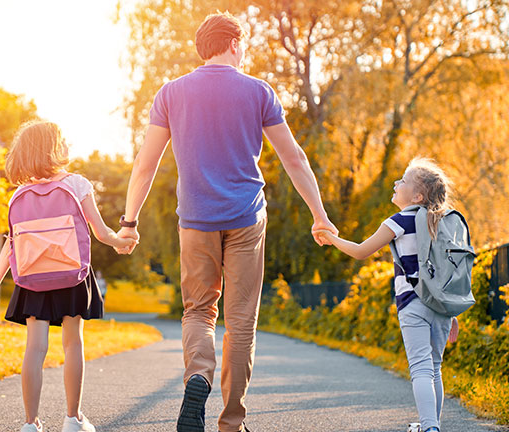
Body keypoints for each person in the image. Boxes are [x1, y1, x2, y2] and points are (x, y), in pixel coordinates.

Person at [115, 11, 337, 432]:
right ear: (234, 43)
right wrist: (320, 216)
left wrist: (129, 221)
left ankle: (197, 376)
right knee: (240, 322)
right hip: (246, 218)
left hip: (195, 219)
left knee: (199, 311)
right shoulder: (258, 91)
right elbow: (294, 158)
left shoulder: (171, 93)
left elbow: (145, 165)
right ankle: (232, 423)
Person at [0, 121, 136, 432]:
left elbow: (11, 245)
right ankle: (73, 419)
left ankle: (30, 423)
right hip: (71, 275)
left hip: (33, 280)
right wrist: (123, 243)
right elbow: (102, 232)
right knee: (72, 344)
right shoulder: (77, 184)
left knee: (34, 349)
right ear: (53, 148)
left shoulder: (18, 195)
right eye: (63, 140)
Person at [315, 157, 460, 432]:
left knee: (420, 367)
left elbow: (360, 251)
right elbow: (449, 268)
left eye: (403, 181)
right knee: (434, 366)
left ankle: (430, 428)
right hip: (441, 305)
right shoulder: (443, 222)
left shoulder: (399, 221)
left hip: (412, 303)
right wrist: (451, 311)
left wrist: (330, 237)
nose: (396, 182)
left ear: (417, 195)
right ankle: (433, 424)